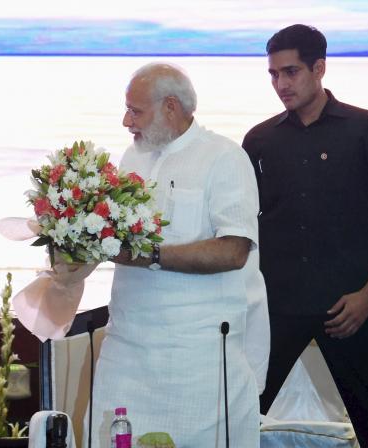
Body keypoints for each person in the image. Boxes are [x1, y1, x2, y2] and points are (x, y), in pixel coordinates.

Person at [242, 24, 368, 447]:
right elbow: (242, 227)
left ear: (319, 68)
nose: (281, 84)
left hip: (352, 306)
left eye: (291, 72)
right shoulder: (259, 140)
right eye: (273, 74)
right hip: (276, 305)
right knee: (237, 414)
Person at [86, 62, 263, 447]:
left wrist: (149, 255)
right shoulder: (132, 158)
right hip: (127, 348)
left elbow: (234, 251)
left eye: (135, 111)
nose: (125, 121)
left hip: (193, 357)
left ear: (170, 106)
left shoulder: (223, 158)